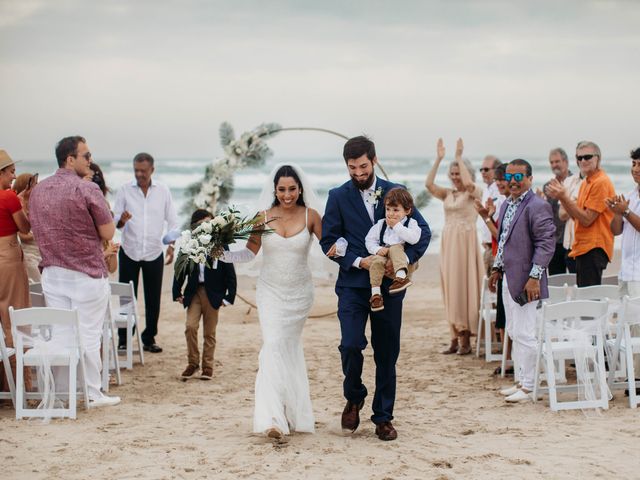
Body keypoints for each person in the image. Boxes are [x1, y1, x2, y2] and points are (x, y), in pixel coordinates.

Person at [321, 136, 431, 442]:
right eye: (352, 168)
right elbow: (328, 241)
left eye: (363, 166)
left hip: (391, 288)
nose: (358, 173)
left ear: (374, 160)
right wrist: (359, 261)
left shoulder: (395, 191)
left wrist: (403, 262)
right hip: (352, 286)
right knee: (351, 344)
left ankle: (383, 417)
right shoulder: (337, 196)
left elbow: (423, 233)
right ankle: (354, 395)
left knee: (386, 354)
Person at [220, 164, 322, 439]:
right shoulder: (262, 218)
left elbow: (330, 248)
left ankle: (291, 413)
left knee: (287, 349)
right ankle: (272, 419)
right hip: (270, 293)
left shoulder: (312, 216)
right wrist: (221, 255)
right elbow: (248, 254)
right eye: (281, 189)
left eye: (291, 189)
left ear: (300, 189)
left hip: (299, 294)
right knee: (273, 345)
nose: (287, 195)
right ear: (274, 190)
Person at [29, 136, 120, 407]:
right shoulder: (87, 189)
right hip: (86, 274)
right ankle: (92, 393)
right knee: (90, 334)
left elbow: (35, 229)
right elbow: (108, 231)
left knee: (62, 334)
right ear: (71, 159)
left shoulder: (39, 191)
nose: (90, 160)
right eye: (86, 155)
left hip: (53, 274)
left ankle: (61, 393)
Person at [489, 159, 555, 403]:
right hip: (508, 277)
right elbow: (503, 239)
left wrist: (535, 277)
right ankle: (520, 380)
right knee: (515, 331)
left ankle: (529, 387)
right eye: (509, 177)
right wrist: (497, 268)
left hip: (528, 281)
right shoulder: (506, 204)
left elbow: (546, 245)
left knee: (526, 333)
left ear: (529, 178)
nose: (513, 182)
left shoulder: (537, 206)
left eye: (518, 177)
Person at [113, 152, 179, 353]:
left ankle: (149, 338)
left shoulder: (163, 191)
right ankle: (124, 339)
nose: (139, 174)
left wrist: (171, 245)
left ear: (152, 169)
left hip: (153, 252)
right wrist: (123, 220)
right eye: (136, 170)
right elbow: (115, 223)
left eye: (143, 170)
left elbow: (173, 221)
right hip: (129, 252)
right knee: (126, 299)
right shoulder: (124, 190)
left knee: (153, 298)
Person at [426, 138, 483, 355]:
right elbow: (428, 185)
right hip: (449, 243)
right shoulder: (448, 194)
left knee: (463, 287)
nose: (455, 176)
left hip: (465, 245)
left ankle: (466, 336)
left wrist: (459, 157)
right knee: (450, 287)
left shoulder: (473, 191)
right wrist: (439, 159)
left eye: (459, 172)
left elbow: (469, 184)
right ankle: (454, 335)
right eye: (453, 173)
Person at [173, 209, 236, 381]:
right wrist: (176, 291)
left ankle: (207, 367)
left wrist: (229, 296)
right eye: (201, 224)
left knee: (210, 333)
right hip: (194, 293)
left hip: (213, 293)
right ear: (194, 227)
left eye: (208, 223)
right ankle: (192, 363)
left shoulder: (219, 244)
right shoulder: (188, 244)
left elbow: (229, 271)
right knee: (190, 327)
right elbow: (180, 269)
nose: (205, 227)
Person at [546, 141, 615, 287]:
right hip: (581, 246)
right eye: (579, 158)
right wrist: (564, 198)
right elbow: (570, 215)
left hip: (594, 247)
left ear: (598, 158)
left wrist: (563, 197)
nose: (583, 161)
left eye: (587, 157)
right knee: (582, 298)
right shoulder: (586, 182)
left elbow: (587, 219)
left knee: (589, 301)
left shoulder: (600, 182)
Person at [0, 150, 33, 394]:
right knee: (15, 319)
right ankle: (22, 386)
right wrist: (23, 203)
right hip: (8, 257)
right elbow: (24, 228)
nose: (13, 176)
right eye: (10, 172)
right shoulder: (9, 197)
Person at [606, 147, 640, 378]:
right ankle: (633, 375)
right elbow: (615, 231)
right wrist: (617, 212)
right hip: (627, 270)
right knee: (629, 327)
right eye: (634, 164)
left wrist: (625, 211)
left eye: (639, 165)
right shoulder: (631, 195)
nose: (635, 170)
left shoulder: (630, 202)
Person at [475, 163, 511, 374]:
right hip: (500, 259)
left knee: (506, 315)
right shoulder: (503, 202)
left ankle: (508, 359)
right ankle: (506, 358)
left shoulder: (508, 203)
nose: (500, 183)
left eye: (502, 179)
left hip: (505, 260)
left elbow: (500, 236)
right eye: (498, 179)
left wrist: (486, 216)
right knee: (503, 315)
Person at [364, 187, 421, 311]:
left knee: (395, 248)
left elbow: (414, 239)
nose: (391, 213)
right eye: (388, 209)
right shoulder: (381, 224)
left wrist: (397, 226)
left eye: (396, 210)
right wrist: (377, 249)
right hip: (384, 255)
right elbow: (369, 240)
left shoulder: (411, 223)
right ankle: (376, 295)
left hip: (401, 258)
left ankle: (401, 278)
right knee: (376, 262)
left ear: (407, 211)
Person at [540, 148, 573, 275]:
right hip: (554, 241)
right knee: (556, 282)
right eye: (551, 162)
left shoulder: (576, 182)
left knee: (576, 281)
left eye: (557, 161)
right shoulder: (548, 186)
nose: (554, 165)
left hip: (572, 240)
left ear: (566, 162)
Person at [89, 162, 119, 274]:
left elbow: (112, 269)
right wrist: (105, 254)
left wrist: (112, 253)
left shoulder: (104, 204)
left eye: (96, 179)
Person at [12, 173, 41, 283]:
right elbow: (24, 236)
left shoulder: (36, 204)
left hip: (39, 252)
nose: (37, 187)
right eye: (35, 184)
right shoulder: (17, 205)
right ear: (26, 187)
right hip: (29, 255)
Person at [477, 154, 504, 276]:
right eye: (481, 169)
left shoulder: (501, 190)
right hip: (488, 247)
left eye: (486, 169)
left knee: (497, 288)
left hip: (497, 247)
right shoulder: (486, 190)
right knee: (490, 289)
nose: (483, 172)